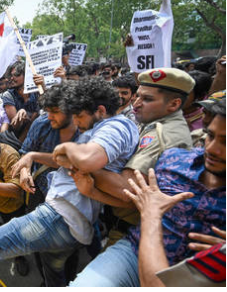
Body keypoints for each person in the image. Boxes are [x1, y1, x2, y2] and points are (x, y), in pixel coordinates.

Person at [0, 77, 139, 287]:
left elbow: (86, 160)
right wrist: (33, 157)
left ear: (100, 111)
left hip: (58, 216)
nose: (76, 122)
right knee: (53, 277)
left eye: (79, 116)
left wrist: (62, 149)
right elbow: (68, 163)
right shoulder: (92, 130)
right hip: (66, 218)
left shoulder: (116, 126)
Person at [70, 99, 226, 287]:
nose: (211, 149)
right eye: (210, 135)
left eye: (225, 142)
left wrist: (151, 217)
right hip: (133, 253)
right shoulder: (174, 159)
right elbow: (138, 202)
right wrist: (92, 192)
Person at [88, 68, 195, 247]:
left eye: (147, 99)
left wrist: (82, 163)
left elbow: (126, 190)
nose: (136, 103)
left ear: (174, 104)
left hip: (136, 233)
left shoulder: (161, 134)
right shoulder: (155, 123)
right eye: (137, 96)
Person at [10, 84, 81, 286]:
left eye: (56, 112)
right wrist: (24, 172)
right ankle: (46, 280)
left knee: (68, 244)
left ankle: (69, 280)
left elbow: (73, 161)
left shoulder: (86, 129)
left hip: (72, 195)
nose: (50, 117)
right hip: (39, 190)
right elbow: (26, 152)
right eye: (48, 111)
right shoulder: (41, 123)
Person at [1, 61, 42, 141]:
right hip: (15, 139)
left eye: (16, 75)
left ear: (26, 76)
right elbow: (16, 126)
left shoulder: (36, 93)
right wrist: (21, 114)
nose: (12, 78)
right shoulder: (8, 95)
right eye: (11, 75)